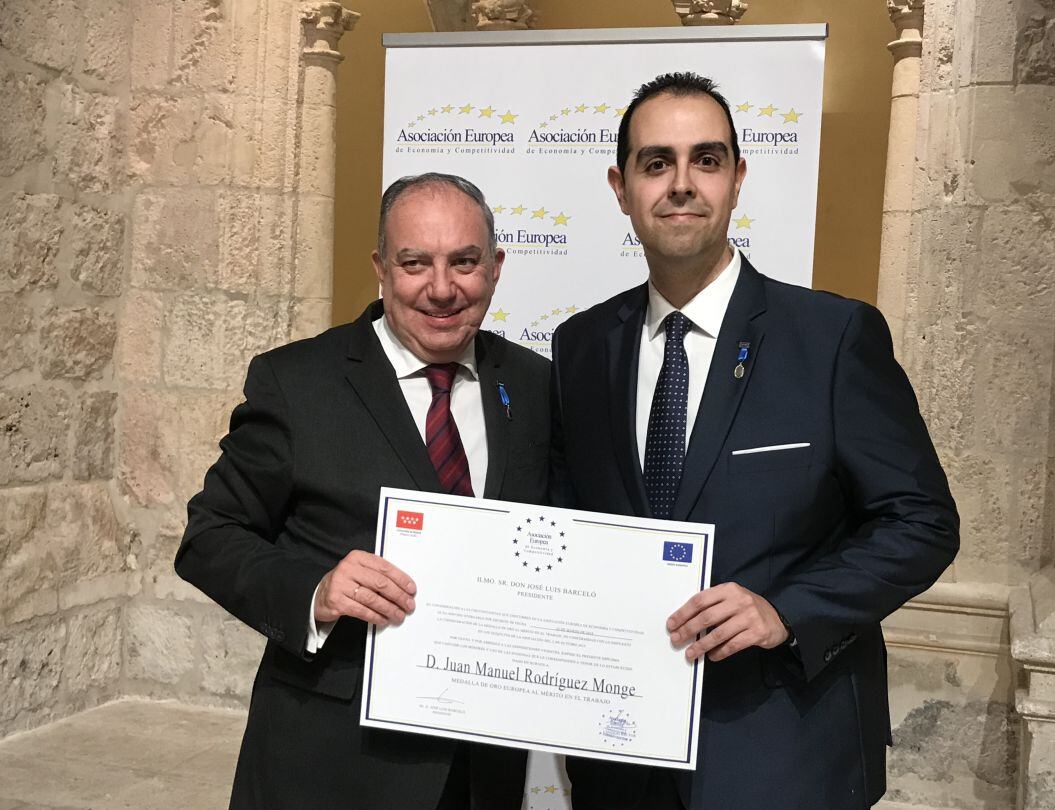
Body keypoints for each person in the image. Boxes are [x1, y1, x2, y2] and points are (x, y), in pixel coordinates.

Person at [549, 72, 960, 809]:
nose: (681, 184)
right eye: (655, 163)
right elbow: (567, 518)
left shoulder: (831, 338)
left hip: (784, 757)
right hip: (619, 759)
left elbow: (922, 521)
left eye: (706, 160)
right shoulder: (581, 347)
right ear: (620, 187)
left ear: (738, 179)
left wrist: (786, 609)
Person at [176, 172, 550, 809]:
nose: (441, 288)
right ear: (381, 267)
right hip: (330, 765)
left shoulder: (535, 385)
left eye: (465, 262)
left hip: (483, 768)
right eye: (415, 263)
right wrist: (316, 591)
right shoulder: (296, 383)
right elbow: (209, 537)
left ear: (496, 267)